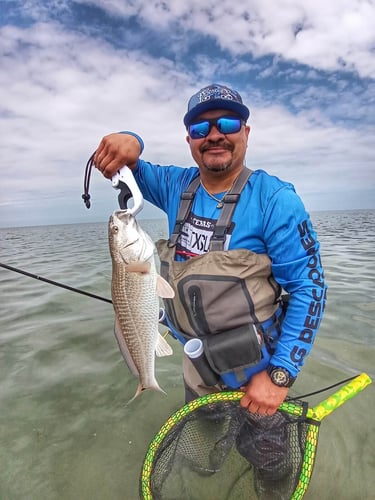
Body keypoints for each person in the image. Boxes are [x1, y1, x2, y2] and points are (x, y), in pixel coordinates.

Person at [94, 83, 327, 497]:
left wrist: (279, 375)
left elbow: (310, 290)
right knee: (204, 446)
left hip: (257, 371)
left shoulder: (276, 200)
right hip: (196, 366)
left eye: (228, 123)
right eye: (201, 128)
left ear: (246, 133)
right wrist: (131, 139)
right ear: (189, 141)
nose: (214, 134)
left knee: (271, 463)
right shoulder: (175, 186)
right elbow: (124, 163)